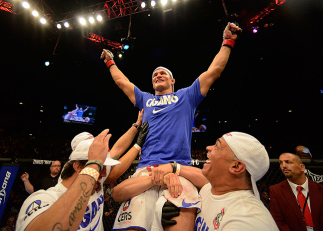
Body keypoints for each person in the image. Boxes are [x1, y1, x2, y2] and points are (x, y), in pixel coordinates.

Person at [101, 22, 242, 231]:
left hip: (179, 169)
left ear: (172, 80)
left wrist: (227, 42)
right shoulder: (145, 100)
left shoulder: (186, 96)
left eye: (162, 74)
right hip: (145, 170)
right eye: (154, 75)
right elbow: (123, 83)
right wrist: (110, 62)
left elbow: (214, 71)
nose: (157, 75)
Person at [113, 132, 279, 231]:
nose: (208, 148)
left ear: (236, 166)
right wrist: (171, 168)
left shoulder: (248, 219)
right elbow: (117, 192)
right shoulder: (210, 189)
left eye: (217, 146)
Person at [16, 111, 150, 231]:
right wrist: (94, 167)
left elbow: (117, 150)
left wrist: (136, 127)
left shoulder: (95, 178)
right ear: (79, 166)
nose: (104, 173)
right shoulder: (45, 199)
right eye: (100, 166)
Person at [269, 153, 323, 231]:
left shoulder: (320, 189)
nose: (283, 166)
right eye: (281, 163)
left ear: (302, 167)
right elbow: (279, 221)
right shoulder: (276, 190)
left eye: (288, 162)